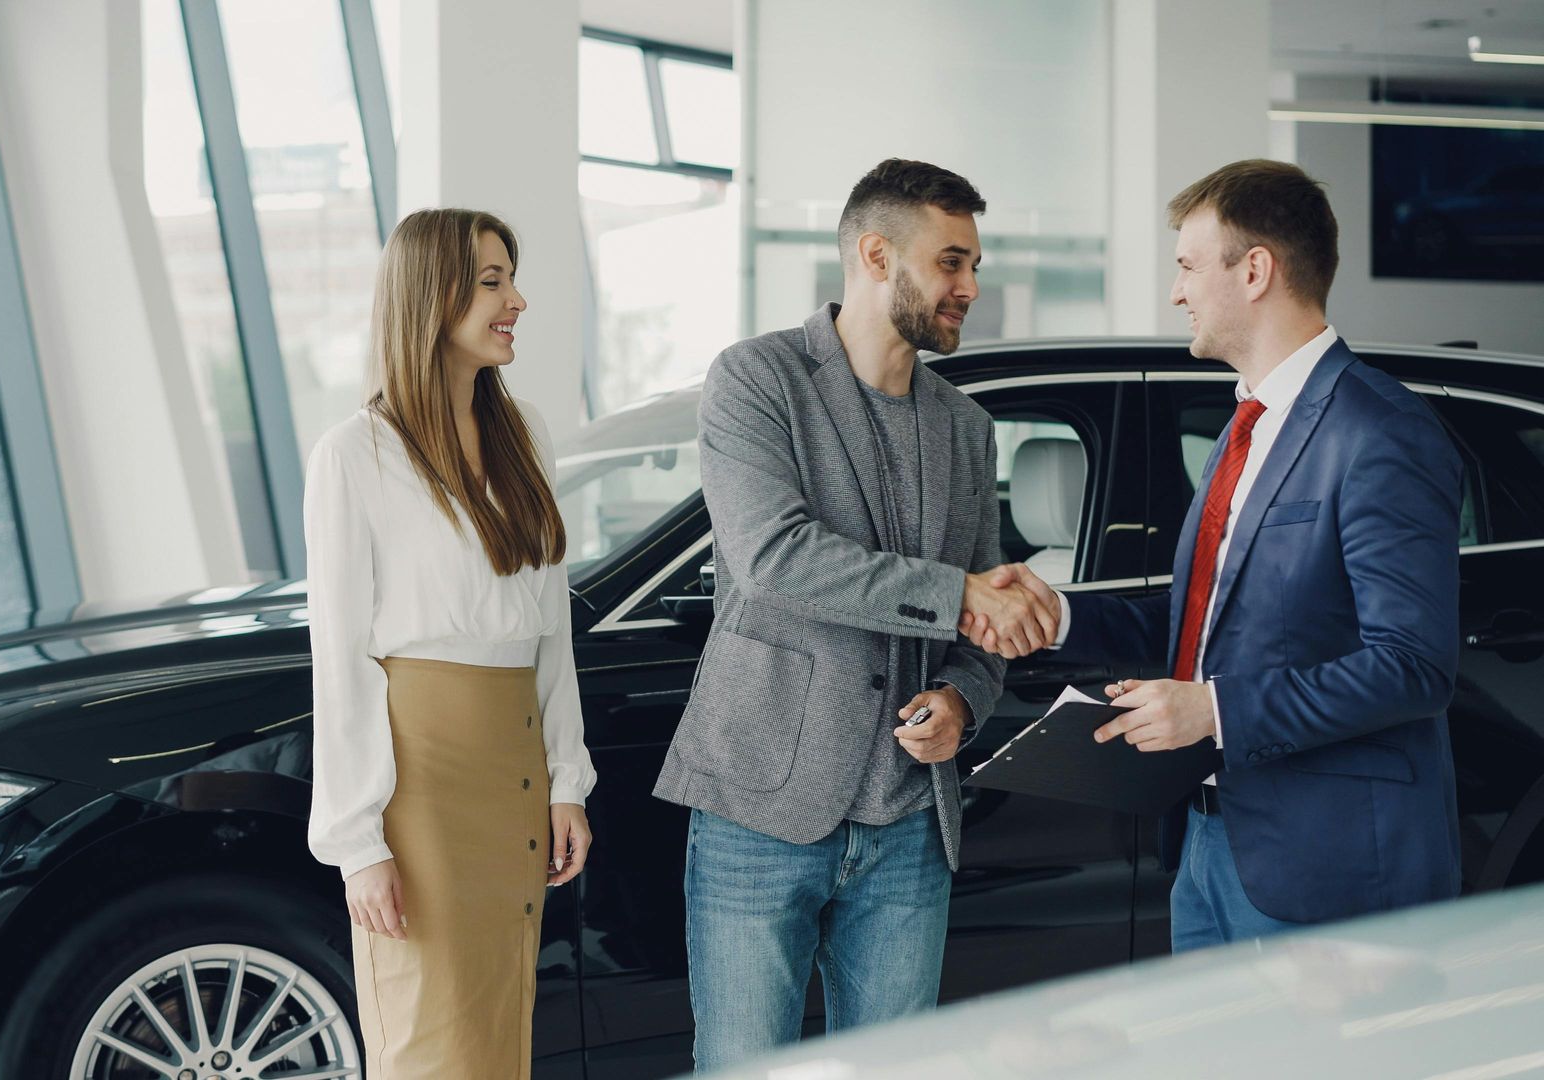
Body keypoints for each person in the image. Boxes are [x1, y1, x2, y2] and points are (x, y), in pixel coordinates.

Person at [971, 160, 1464, 950]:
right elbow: (1196, 628)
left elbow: (1412, 665)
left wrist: (1215, 710)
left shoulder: (1380, 432)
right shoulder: (1242, 431)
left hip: (1324, 868)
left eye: (1189, 267)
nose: (1177, 292)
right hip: (1206, 844)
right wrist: (1058, 616)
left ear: (1256, 270)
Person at [653, 158, 1052, 1070]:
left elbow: (982, 621)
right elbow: (774, 557)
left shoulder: (965, 426)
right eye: (952, 263)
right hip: (761, 803)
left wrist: (962, 698)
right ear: (877, 255)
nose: (971, 288)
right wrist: (958, 596)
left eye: (973, 266)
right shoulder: (758, 380)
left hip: (911, 821)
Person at [303, 207, 597, 1077]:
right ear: (431, 296)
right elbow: (342, 659)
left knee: (500, 1032)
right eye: (493, 281)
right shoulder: (354, 455)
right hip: (421, 792)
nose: (518, 301)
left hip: (514, 779)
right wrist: (360, 847)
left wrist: (567, 781)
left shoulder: (525, 435)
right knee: (430, 1039)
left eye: (512, 277)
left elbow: (552, 631)